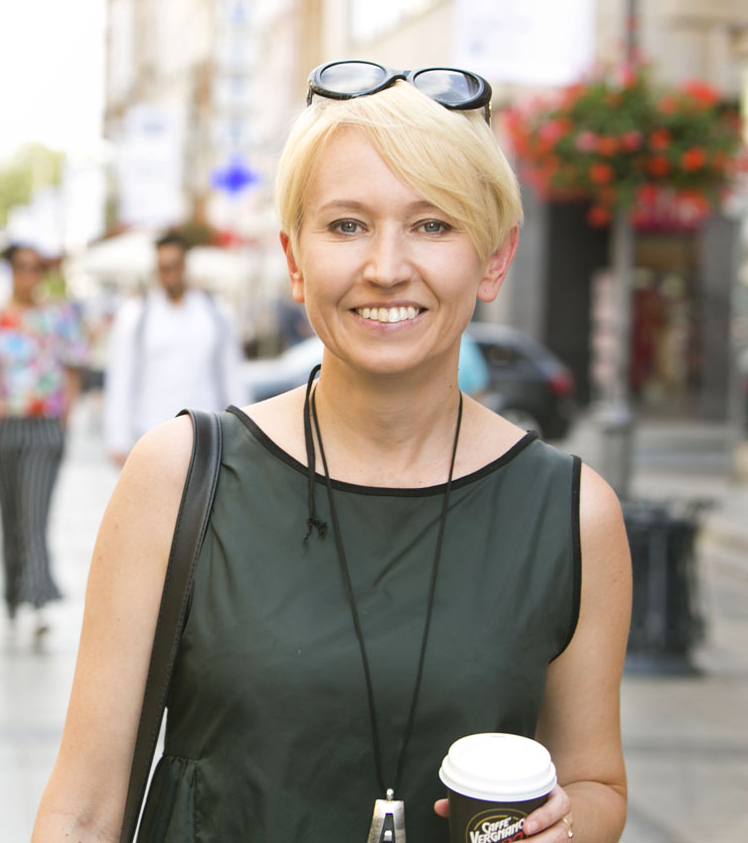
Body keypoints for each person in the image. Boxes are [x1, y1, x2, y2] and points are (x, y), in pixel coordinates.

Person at [33, 63, 630, 842]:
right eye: (347, 225)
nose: (386, 266)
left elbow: (595, 780)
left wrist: (570, 826)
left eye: (434, 224)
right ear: (293, 257)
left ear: (495, 258)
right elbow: (80, 811)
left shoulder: (573, 515)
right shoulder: (180, 476)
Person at [0, 244, 88, 645]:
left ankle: (37, 599)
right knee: (10, 516)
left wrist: (65, 413)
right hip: (4, 429)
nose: (29, 275)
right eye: (21, 268)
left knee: (33, 513)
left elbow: (74, 369)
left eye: (36, 268)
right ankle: (11, 595)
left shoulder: (59, 318)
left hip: (43, 428)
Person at [102, 231, 248, 465]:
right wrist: (117, 438)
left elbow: (231, 374)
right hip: (151, 434)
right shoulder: (137, 315)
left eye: (174, 266)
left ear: (185, 266)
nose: (168, 274)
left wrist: (243, 434)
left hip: (206, 436)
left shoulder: (215, 313)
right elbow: (122, 376)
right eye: (162, 267)